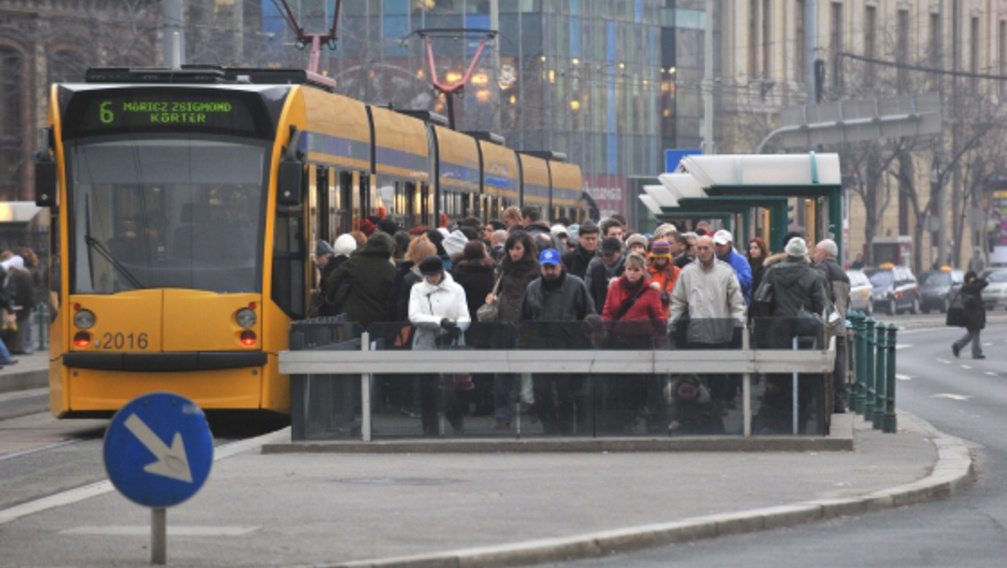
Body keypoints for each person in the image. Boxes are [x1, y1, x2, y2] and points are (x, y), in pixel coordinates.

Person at [752, 237, 831, 434]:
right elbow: (824, 307)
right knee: (802, 382)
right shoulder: (813, 275)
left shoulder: (772, 272)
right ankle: (800, 425)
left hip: (777, 332)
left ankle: (777, 423)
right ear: (804, 254)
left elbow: (760, 298)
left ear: (786, 252)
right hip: (804, 335)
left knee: (777, 380)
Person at [667, 235, 747, 414]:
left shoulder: (726, 272)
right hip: (696, 332)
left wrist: (738, 324)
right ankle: (701, 406)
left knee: (721, 374)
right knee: (697, 373)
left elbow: (736, 301)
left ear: (713, 250)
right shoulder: (687, 272)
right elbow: (678, 300)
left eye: (706, 248)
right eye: (699, 248)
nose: (702, 252)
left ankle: (718, 404)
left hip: (721, 332)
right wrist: (672, 323)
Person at [520, 248, 596, 434]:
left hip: (569, 348)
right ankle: (549, 429)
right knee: (542, 393)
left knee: (566, 393)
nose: (549, 271)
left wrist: (583, 341)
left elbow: (590, 314)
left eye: (552, 267)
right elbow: (524, 320)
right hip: (541, 349)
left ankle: (566, 430)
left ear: (560, 265)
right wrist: (529, 345)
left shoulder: (576, 285)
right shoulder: (532, 288)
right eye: (545, 267)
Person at [601, 252, 667, 432]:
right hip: (619, 341)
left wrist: (660, 336)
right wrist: (607, 330)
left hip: (641, 341)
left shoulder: (651, 291)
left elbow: (657, 315)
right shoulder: (614, 287)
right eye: (629, 269)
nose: (632, 273)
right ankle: (624, 420)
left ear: (643, 271)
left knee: (640, 383)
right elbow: (608, 311)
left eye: (636, 270)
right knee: (621, 383)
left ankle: (639, 416)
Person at [409, 255, 471, 435]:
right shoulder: (417, 289)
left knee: (450, 388)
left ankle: (456, 422)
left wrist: (458, 328)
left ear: (442, 272)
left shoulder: (456, 289)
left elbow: (464, 314)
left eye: (435, 274)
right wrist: (441, 322)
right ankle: (430, 428)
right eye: (428, 275)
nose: (432, 278)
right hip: (426, 343)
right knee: (426, 388)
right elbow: (414, 316)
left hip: (449, 341)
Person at [483, 230, 540, 429]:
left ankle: (530, 409)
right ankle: (503, 415)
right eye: (511, 248)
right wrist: (492, 299)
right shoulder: (503, 268)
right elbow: (497, 289)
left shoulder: (536, 269)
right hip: (505, 320)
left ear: (526, 249)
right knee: (502, 371)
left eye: (518, 248)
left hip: (526, 321)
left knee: (525, 370)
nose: (514, 253)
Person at [323, 231, 396, 329]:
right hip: (380, 321)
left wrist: (332, 300)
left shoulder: (354, 262)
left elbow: (333, 279)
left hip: (353, 318)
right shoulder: (391, 270)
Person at [812, 239, 851, 413]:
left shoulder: (822, 269)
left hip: (826, 326)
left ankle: (822, 401)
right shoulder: (843, 273)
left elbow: (818, 293)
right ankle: (840, 402)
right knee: (839, 363)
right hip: (839, 324)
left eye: (816, 251)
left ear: (824, 254)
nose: (814, 255)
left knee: (824, 364)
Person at [952, 270, 988, 360]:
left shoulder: (964, 287)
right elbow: (985, 283)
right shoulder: (972, 287)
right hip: (973, 313)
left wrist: (975, 279)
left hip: (968, 312)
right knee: (975, 332)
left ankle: (958, 346)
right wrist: (977, 279)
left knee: (973, 333)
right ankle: (975, 352)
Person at [585, 237, 625, 313]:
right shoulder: (596, 270)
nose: (607, 257)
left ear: (619, 253)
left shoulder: (628, 270)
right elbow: (591, 295)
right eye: (605, 254)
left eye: (610, 254)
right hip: (601, 314)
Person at [712, 230, 753, 304]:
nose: (719, 248)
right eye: (716, 244)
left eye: (722, 245)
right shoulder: (710, 260)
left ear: (730, 243)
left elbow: (746, 283)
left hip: (735, 304)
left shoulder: (741, 261)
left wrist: (730, 273)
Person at [646, 240, 680, 320]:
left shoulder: (676, 272)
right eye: (658, 258)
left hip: (671, 315)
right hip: (650, 316)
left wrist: (670, 295)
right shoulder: (646, 272)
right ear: (653, 257)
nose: (661, 260)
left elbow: (681, 294)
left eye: (663, 258)